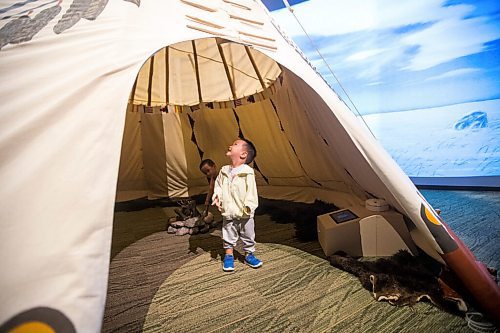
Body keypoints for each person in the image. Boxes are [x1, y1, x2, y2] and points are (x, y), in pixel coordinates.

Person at [212, 138, 262, 272]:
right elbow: (218, 186)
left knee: (248, 234)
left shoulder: (248, 172)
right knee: (228, 232)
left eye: (235, 144)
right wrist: (217, 196)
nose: (230, 145)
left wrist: (249, 206)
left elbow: (251, 190)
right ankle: (229, 255)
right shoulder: (224, 171)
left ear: (243, 154)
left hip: (244, 212)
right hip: (229, 210)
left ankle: (249, 254)